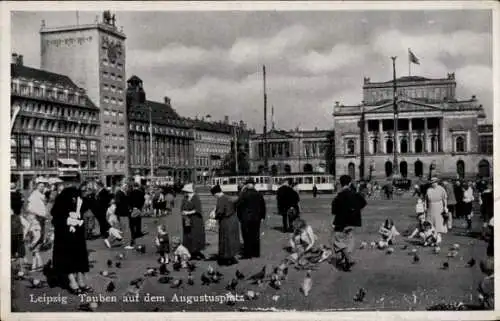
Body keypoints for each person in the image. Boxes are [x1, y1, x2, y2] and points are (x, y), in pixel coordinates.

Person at [51, 181, 92, 294]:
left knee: (80, 257)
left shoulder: (80, 200)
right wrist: (68, 220)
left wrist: (107, 227)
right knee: (67, 258)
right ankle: (72, 282)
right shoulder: (63, 199)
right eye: (85, 190)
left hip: (77, 233)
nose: (86, 192)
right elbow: (56, 218)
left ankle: (80, 280)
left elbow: (95, 209)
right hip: (64, 234)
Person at [331, 174, 366, 271]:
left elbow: (334, 211)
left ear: (340, 183)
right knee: (349, 241)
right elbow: (363, 203)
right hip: (352, 222)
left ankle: (349, 259)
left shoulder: (339, 196)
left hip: (341, 222)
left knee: (338, 241)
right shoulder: (354, 194)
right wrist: (355, 212)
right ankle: (347, 263)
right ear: (350, 183)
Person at [235, 178, 266, 259]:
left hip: (246, 218)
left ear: (248, 185)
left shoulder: (243, 194)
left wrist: (240, 217)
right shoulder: (259, 194)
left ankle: (247, 254)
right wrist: (262, 216)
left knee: (246, 236)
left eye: (248, 183)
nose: (247, 185)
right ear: (254, 184)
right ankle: (256, 253)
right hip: (256, 218)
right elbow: (263, 206)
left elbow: (238, 206)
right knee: (255, 235)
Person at [211, 184, 240, 266]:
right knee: (232, 240)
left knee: (225, 240)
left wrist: (214, 216)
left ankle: (227, 259)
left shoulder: (220, 199)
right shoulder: (228, 197)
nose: (214, 197)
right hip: (233, 220)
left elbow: (220, 212)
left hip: (226, 222)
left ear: (216, 193)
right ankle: (232, 258)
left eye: (214, 195)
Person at [180, 183, 206, 260]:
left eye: (185, 191)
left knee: (195, 235)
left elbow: (198, 210)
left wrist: (188, 212)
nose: (184, 193)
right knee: (187, 235)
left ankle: (196, 251)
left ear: (189, 191)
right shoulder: (185, 198)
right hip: (187, 220)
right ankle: (189, 251)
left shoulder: (196, 198)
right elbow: (182, 208)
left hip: (195, 220)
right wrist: (183, 212)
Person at [115, 181, 132, 249]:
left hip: (124, 213)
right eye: (125, 186)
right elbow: (118, 203)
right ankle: (127, 244)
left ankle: (125, 242)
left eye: (126, 186)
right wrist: (127, 208)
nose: (126, 187)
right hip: (123, 213)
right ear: (122, 186)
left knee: (124, 228)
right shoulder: (119, 193)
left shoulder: (124, 193)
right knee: (126, 228)